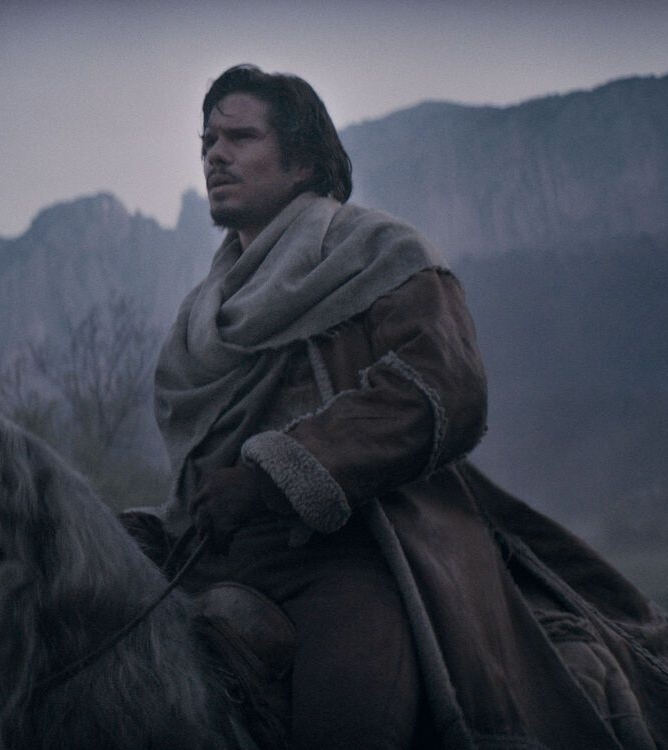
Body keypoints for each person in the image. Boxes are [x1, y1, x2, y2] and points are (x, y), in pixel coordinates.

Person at [146, 64, 668, 749]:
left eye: (239, 137)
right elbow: (201, 472)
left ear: (302, 161)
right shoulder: (202, 315)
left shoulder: (380, 254)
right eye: (208, 140)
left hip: (354, 555)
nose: (215, 154)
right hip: (215, 560)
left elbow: (443, 387)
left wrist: (274, 475)